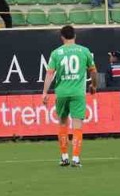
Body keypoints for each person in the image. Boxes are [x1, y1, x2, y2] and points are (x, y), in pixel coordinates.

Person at [40, 25, 97, 168]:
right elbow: (93, 71)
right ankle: (76, 158)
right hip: (78, 93)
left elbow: (49, 73)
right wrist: (94, 85)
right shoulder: (84, 51)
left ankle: (64, 157)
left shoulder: (56, 53)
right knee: (77, 125)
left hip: (62, 93)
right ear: (75, 36)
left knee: (62, 123)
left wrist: (45, 92)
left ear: (62, 37)